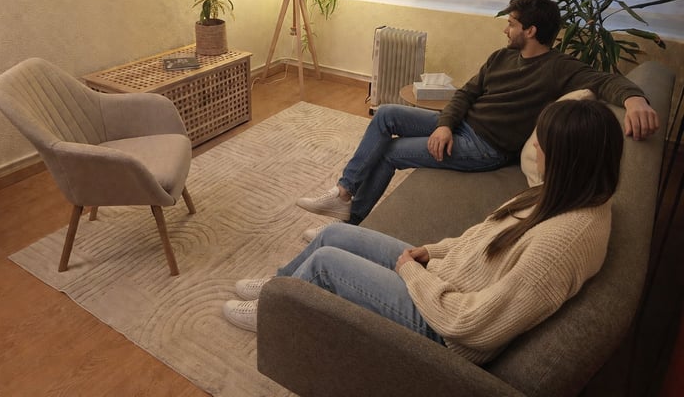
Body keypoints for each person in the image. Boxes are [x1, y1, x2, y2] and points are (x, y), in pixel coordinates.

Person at [222, 99, 624, 365]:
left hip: (443, 326)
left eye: (543, 144)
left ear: (571, 157)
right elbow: (480, 239)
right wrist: (431, 253)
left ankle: (272, 314)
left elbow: (475, 325)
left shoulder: (563, 242)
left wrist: (411, 272)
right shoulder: (565, 193)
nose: (536, 150)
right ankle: (280, 288)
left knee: (326, 263)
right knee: (333, 235)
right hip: (444, 283)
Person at [295, 0, 658, 226]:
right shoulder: (502, 57)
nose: (505, 29)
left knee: (391, 152)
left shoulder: (559, 68)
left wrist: (635, 99)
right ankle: (344, 192)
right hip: (462, 128)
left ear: (530, 31)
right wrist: (445, 126)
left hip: (486, 148)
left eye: (512, 24)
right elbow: (466, 93)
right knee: (387, 113)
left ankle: (351, 220)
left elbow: (606, 80)